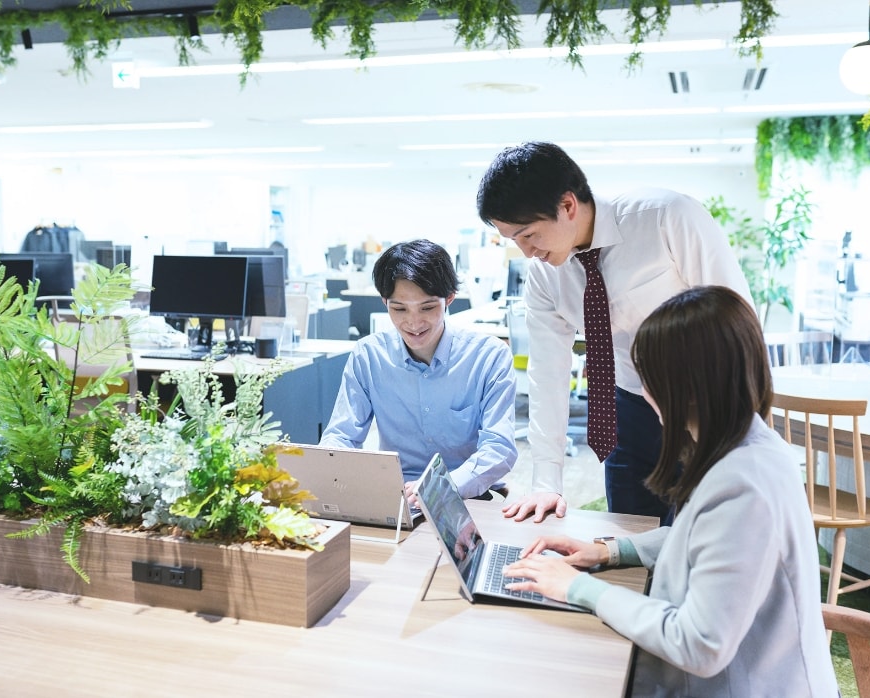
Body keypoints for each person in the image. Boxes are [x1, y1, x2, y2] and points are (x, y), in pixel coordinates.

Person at [502, 285, 838, 696]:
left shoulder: (743, 486)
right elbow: (707, 539)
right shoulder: (747, 446)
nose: (643, 393)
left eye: (648, 379)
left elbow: (699, 645)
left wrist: (578, 588)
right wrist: (612, 551)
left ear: (689, 389)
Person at [476, 141, 751, 523]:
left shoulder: (666, 217)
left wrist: (742, 424)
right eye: (514, 241)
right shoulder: (544, 275)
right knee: (630, 535)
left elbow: (737, 319)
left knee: (701, 535)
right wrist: (547, 482)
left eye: (528, 235)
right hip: (627, 407)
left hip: (703, 406)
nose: (526, 252)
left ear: (568, 206)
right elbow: (547, 374)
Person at [319, 238, 517, 500]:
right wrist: (327, 470)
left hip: (463, 493)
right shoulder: (369, 356)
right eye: (399, 308)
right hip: (396, 495)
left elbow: (499, 447)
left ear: (449, 299)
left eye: (427, 307)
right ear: (384, 302)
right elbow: (342, 436)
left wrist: (440, 486)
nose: (413, 322)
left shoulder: (488, 357)